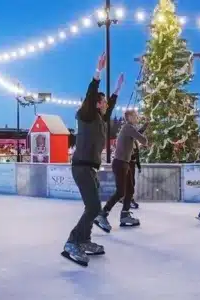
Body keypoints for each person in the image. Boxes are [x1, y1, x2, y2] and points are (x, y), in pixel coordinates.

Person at [62, 53, 124, 267]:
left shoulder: (99, 118)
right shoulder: (87, 114)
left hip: (90, 168)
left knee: (93, 207)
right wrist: (98, 72)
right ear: (97, 104)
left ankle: (85, 240)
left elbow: (111, 109)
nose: (107, 104)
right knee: (93, 207)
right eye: (104, 101)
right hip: (81, 167)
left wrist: (116, 91)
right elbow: (90, 96)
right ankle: (73, 241)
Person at [95, 110, 147, 232]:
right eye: (135, 115)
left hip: (125, 163)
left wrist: (144, 127)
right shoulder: (128, 127)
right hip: (120, 163)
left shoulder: (129, 128)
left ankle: (125, 215)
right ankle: (102, 214)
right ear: (129, 117)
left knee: (130, 189)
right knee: (120, 192)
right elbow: (142, 140)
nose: (137, 117)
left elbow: (137, 135)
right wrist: (145, 139)